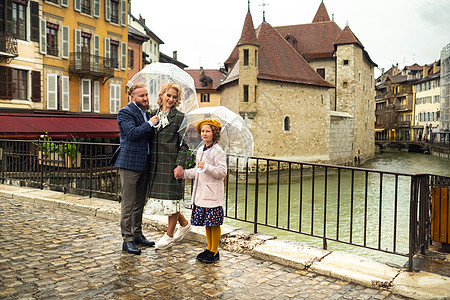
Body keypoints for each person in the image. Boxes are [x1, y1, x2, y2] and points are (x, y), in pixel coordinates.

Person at [113, 83, 157, 255]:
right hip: (129, 163)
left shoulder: (146, 113)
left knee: (140, 201)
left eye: (146, 95)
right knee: (128, 203)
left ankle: (137, 234)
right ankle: (127, 239)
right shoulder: (125, 112)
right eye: (142, 96)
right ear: (132, 97)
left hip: (145, 161)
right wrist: (150, 124)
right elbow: (131, 133)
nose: (146, 98)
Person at [147, 82, 192, 250]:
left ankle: (169, 235)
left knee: (172, 201)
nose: (171, 99)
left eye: (174, 97)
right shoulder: (152, 114)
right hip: (155, 165)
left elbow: (185, 145)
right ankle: (185, 224)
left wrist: (180, 165)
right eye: (168, 95)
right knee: (167, 202)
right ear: (161, 96)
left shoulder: (181, 118)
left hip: (172, 165)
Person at [183, 119, 227, 263]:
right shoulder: (201, 149)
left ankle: (215, 251)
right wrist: (184, 174)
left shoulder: (218, 151)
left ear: (214, 133)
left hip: (213, 194)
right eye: (202, 131)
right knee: (208, 223)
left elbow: (222, 172)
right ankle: (209, 248)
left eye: (208, 131)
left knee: (214, 224)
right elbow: (198, 171)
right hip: (202, 193)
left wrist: (207, 167)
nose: (204, 133)